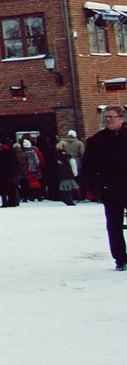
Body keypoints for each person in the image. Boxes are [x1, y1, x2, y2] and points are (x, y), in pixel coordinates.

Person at [82, 105, 127, 271]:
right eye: (105, 117)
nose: (108, 119)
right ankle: (120, 258)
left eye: (111, 117)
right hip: (110, 190)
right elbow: (88, 168)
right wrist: (97, 191)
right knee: (114, 226)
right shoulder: (96, 141)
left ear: (121, 118)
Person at [54, 138, 78, 206]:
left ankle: (68, 199)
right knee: (67, 188)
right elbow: (62, 159)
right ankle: (68, 200)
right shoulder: (61, 152)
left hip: (64, 172)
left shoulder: (59, 152)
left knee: (67, 188)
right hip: (65, 172)